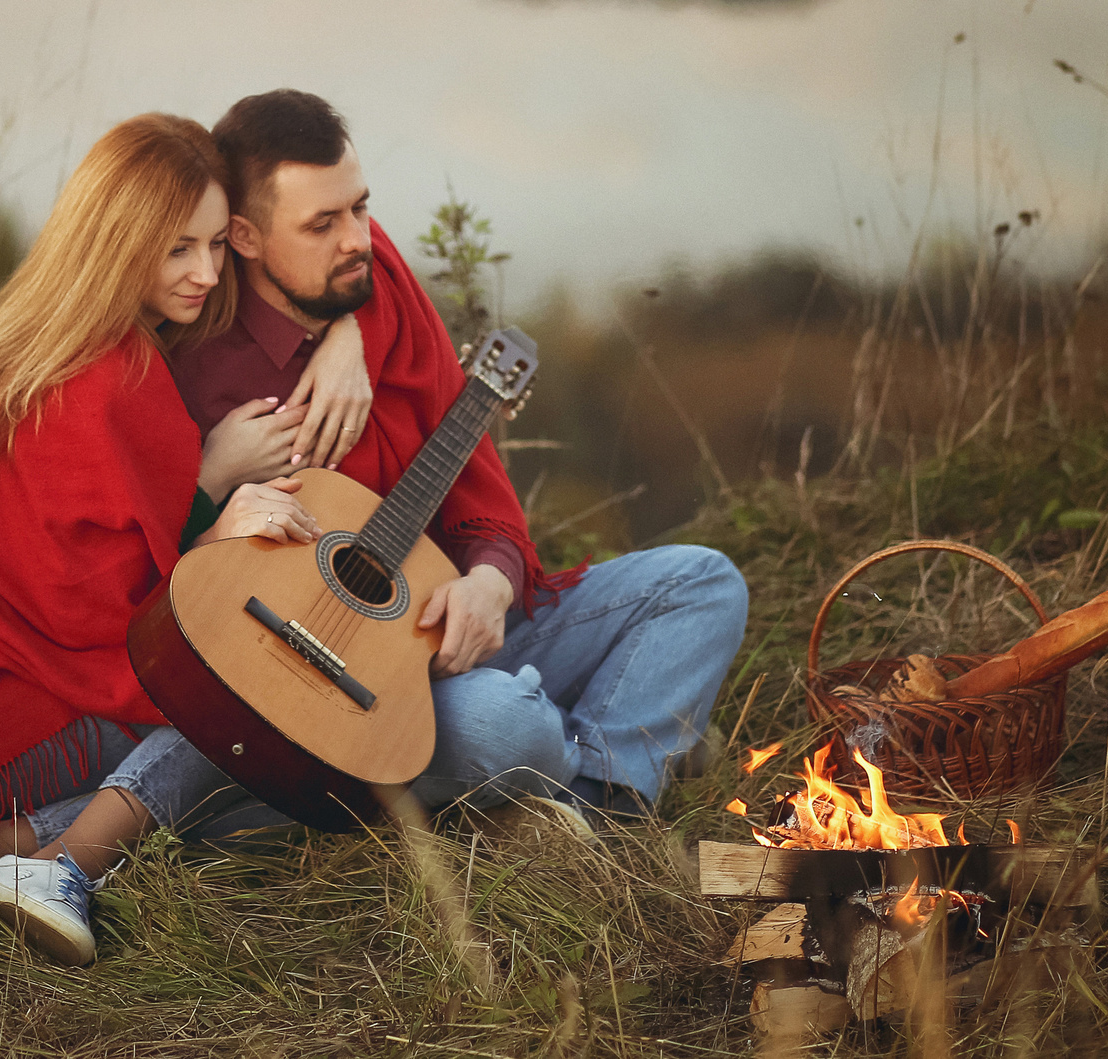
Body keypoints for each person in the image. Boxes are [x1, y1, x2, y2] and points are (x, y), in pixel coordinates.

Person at [0, 113, 367, 964]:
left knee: (257, 767)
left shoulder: (27, 340)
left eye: (219, 244)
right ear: (121, 238)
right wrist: (218, 515)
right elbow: (121, 622)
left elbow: (79, 552)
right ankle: (65, 861)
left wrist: (348, 329)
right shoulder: (123, 376)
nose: (207, 271)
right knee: (249, 712)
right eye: (178, 248)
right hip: (5, 729)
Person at [171, 90, 749, 823]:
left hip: (449, 627)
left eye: (359, 208)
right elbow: (173, 569)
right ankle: (629, 740)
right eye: (323, 223)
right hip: (347, 689)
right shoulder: (201, 368)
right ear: (246, 238)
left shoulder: (381, 293)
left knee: (703, 582)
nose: (358, 238)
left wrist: (490, 587)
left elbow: (484, 505)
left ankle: (595, 806)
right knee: (505, 723)